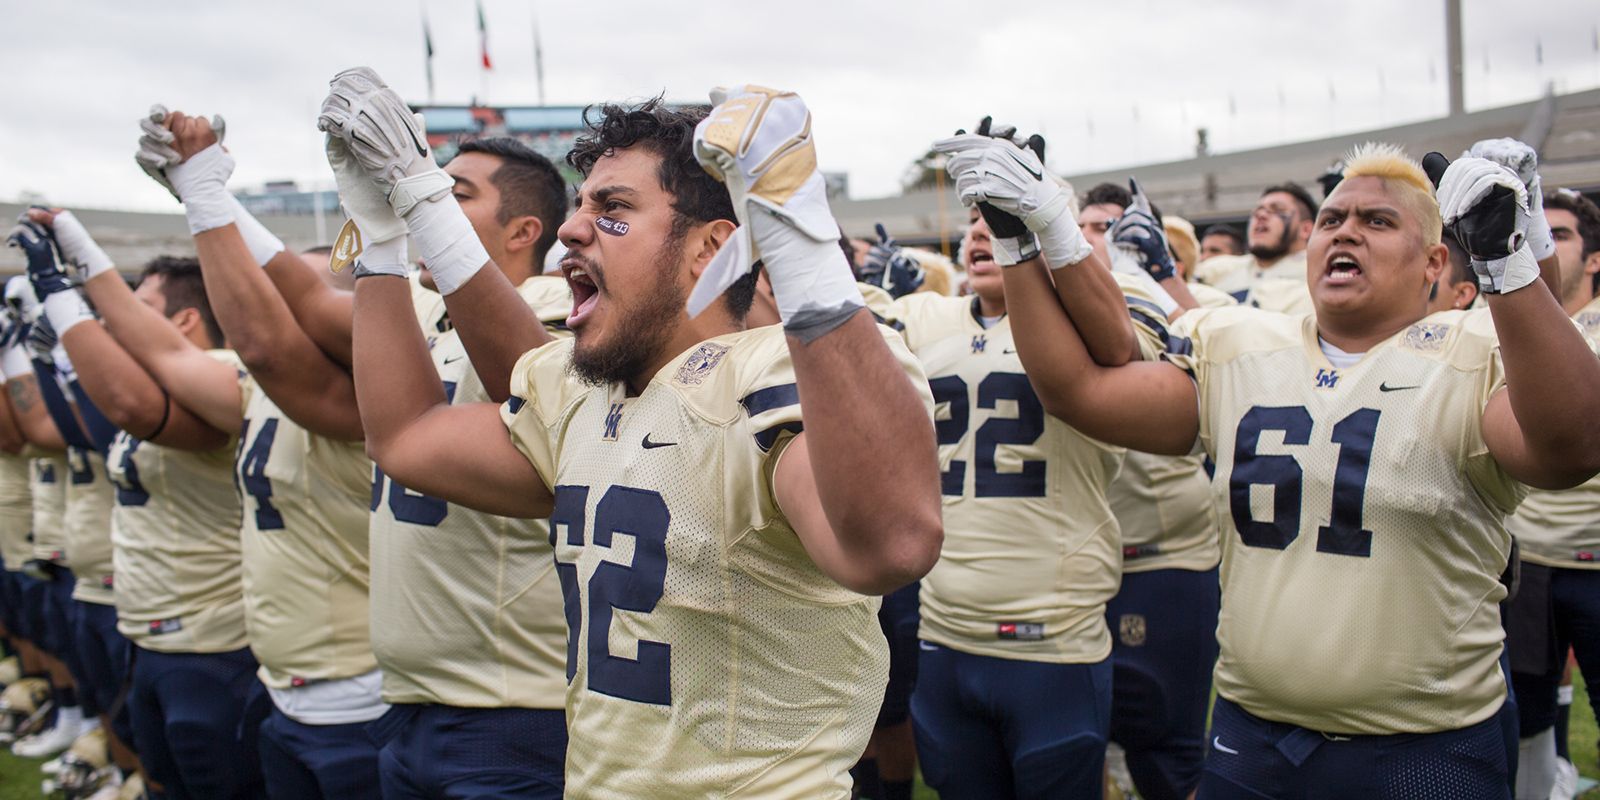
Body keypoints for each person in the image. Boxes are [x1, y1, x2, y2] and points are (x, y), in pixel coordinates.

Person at [318, 69, 942, 797]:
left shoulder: (767, 371)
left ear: (709, 248)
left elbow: (892, 543)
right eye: (580, 204)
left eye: (612, 208)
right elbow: (406, 437)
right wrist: (386, 240)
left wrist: (801, 245)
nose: (571, 228)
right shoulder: (582, 392)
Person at [963, 133, 1600, 797]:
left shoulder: (1467, 350)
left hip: (1424, 747)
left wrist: (1508, 261)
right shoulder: (1242, 345)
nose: (1347, 231)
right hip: (1252, 735)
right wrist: (1019, 244)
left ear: (1435, 261)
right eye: (1333, 219)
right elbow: (1079, 393)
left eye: (1377, 221)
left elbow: (1572, 448)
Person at [895, 164, 1145, 797]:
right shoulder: (925, 319)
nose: (981, 233)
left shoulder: (1092, 325)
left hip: (1051, 642)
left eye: (1000, 222)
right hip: (945, 629)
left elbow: (1125, 351)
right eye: (974, 221)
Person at [13, 211, 261, 800]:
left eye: (136, 309)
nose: (116, 322)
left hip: (209, 642)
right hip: (149, 633)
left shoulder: (222, 375)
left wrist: (61, 298)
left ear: (185, 319)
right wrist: (56, 366)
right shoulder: (155, 390)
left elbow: (124, 407)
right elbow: (96, 429)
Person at [1501, 187, 1600, 799]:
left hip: (1596, 561)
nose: (1544, 247)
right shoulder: (1502, 324)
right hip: (1527, 561)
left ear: (1593, 259)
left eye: (1558, 236)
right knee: (1527, 719)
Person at [1193, 183, 1319, 312]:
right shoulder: (1218, 270)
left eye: (1277, 210)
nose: (1261, 215)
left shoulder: (1319, 274)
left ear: (1306, 229)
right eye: (1258, 211)